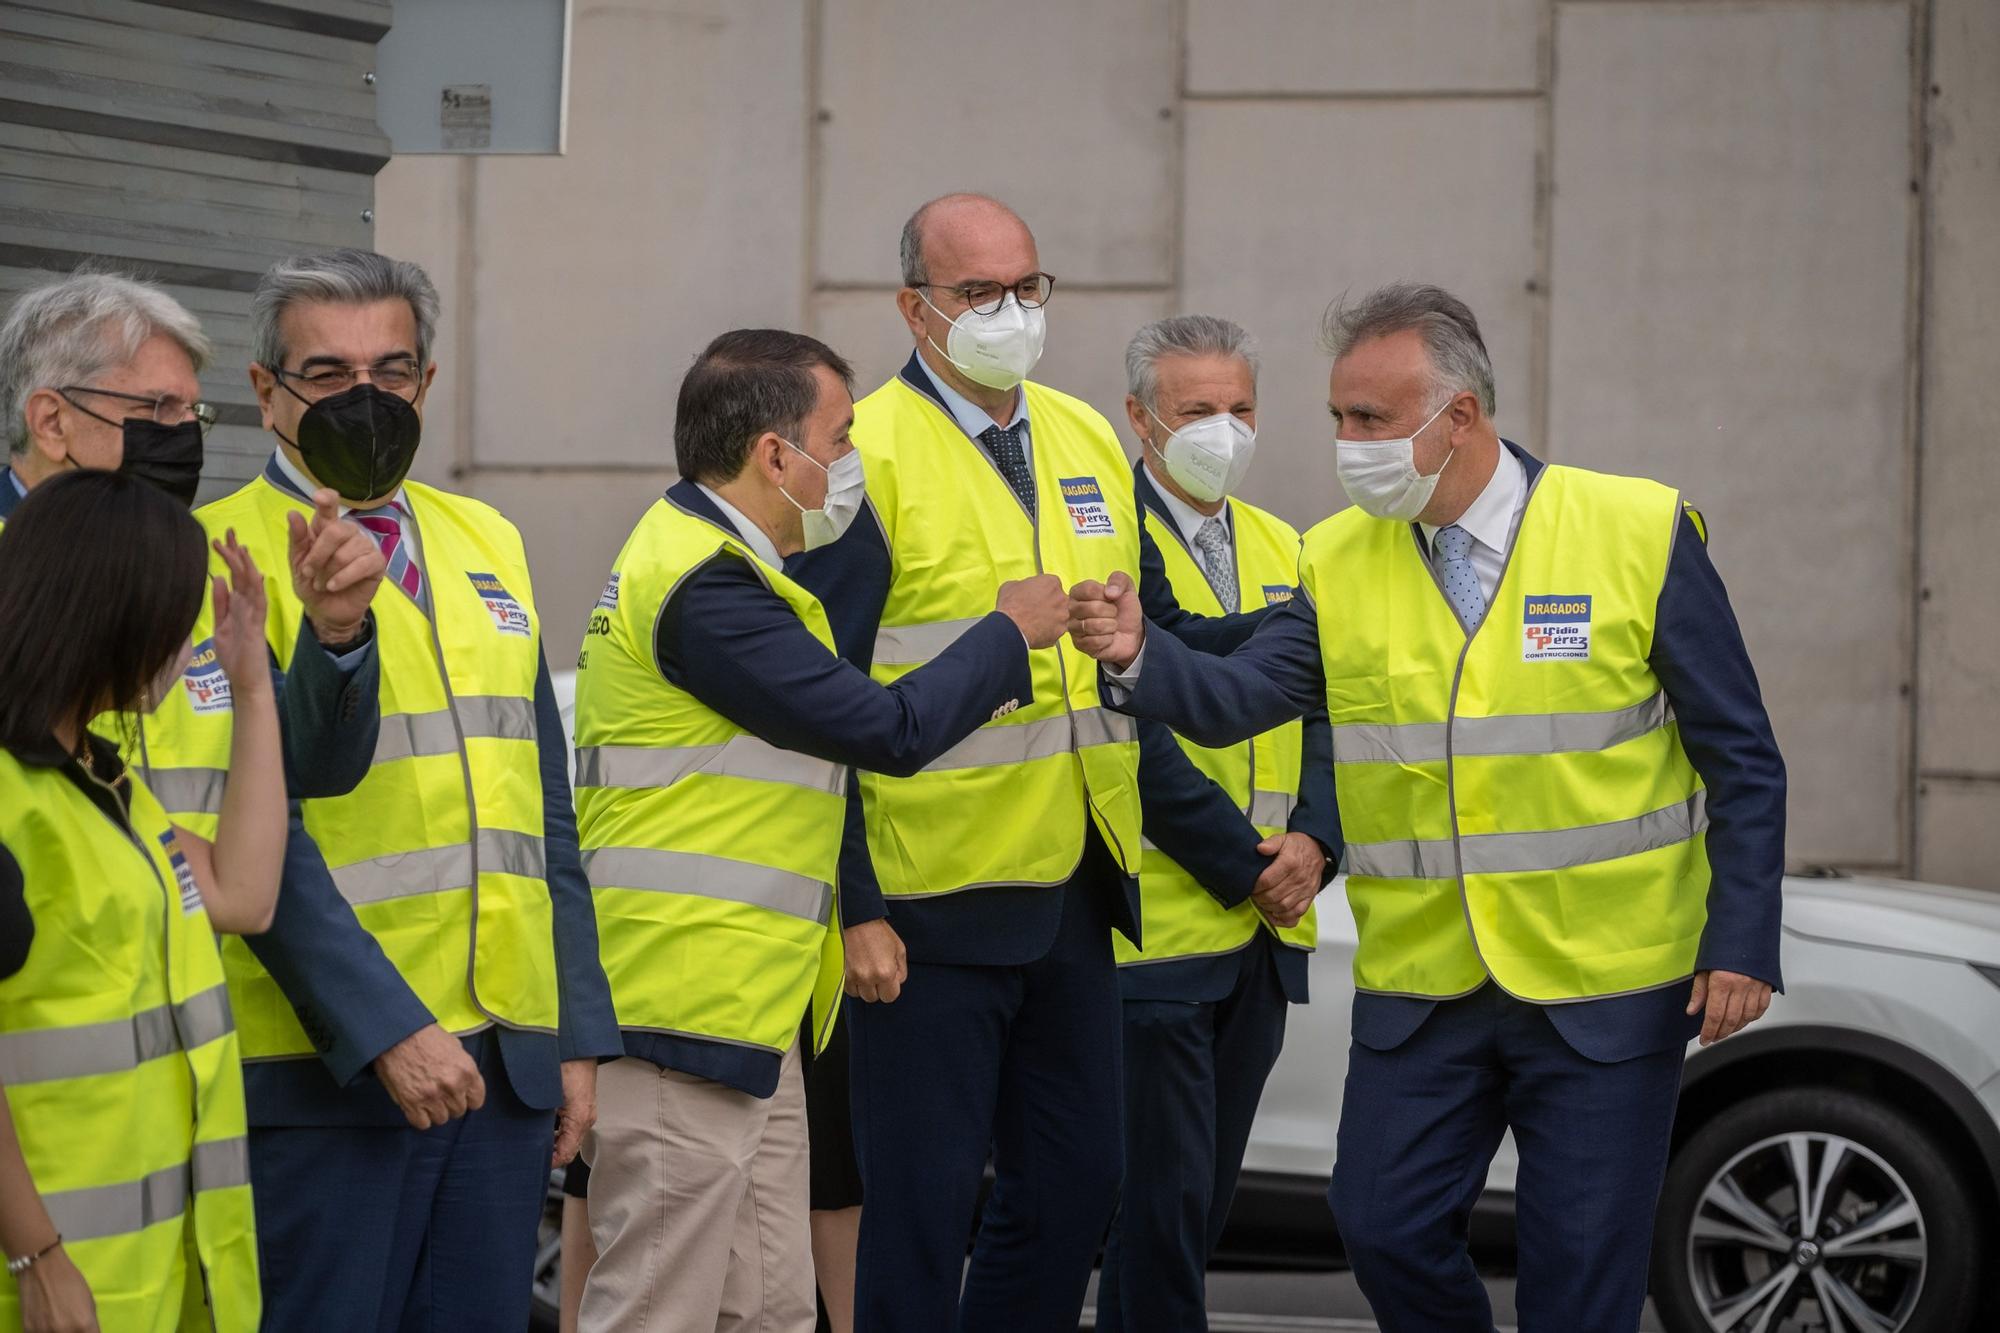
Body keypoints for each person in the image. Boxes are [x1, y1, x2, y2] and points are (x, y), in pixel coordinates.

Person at [1070, 282, 1787, 1330]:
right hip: (1424, 988)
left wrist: (1741, 937)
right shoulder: (1338, 556)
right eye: (1334, 418)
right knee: (1381, 1224)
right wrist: (1137, 654)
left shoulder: (1633, 528)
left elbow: (1741, 754)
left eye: (1370, 420)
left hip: (1605, 981)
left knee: (1578, 1274)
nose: (1345, 444)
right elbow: (1237, 701)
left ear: (1458, 415)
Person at [785, 194, 1325, 1331]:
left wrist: (1325, 633)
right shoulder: (865, 455)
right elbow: (817, 701)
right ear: (914, 308)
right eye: (976, 293)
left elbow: (1167, 631)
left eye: (1025, 288)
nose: (1008, 313)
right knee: (921, 1213)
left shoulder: (1083, 433)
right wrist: (852, 904)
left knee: (1080, 1188)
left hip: (1075, 890)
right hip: (927, 904)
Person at [136, 248, 622, 1330]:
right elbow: (237, 824)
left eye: (391, 372)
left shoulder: (483, 537)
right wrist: (383, 1030)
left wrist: (574, 1033)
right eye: (327, 372)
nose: (366, 398)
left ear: (428, 383)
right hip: (328, 1069)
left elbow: (542, 808)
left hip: (501, 1065)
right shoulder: (197, 560)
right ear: (265, 392)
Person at [572, 329, 1066, 1332]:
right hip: (681, 1010)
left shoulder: (736, 570)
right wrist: (1006, 633)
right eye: (838, 441)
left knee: (770, 1310)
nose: (850, 464)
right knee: (659, 1309)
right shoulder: (705, 587)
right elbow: (884, 729)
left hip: (749, 1012)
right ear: (771, 453)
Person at [1097, 315, 1340, 1332]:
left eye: (1240, 408)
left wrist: (1316, 844)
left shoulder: (1285, 544)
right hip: (1154, 932)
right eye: (1198, 411)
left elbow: (1333, 704)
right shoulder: (1108, 539)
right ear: (1139, 419)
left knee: (1201, 1212)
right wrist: (1239, 863)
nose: (1224, 430)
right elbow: (1119, 729)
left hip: (1266, 932)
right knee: (1156, 1212)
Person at [0, 471, 284, 1332]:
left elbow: (245, 891)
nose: (187, 639)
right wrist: (35, 1254)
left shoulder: (99, 776)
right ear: (109, 611)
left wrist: (254, 688)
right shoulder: (15, 795)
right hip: (53, 1277)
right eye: (175, 615)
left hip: (149, 1274)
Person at [0, 269, 388, 820]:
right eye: (158, 408)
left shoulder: (197, 571)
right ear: (51, 421)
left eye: (191, 412)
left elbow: (306, 773)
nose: (182, 433)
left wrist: (335, 631)